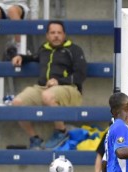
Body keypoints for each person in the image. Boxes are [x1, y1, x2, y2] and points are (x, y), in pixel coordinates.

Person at [11, 20, 87, 150]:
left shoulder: (74, 50)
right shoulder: (44, 49)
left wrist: (59, 81)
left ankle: (61, 132)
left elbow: (81, 74)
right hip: (43, 87)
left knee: (47, 96)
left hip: (69, 88)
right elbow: (34, 57)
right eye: (52, 33)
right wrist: (21, 57)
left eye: (59, 33)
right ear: (47, 35)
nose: (56, 36)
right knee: (16, 103)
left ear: (64, 35)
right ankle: (34, 138)